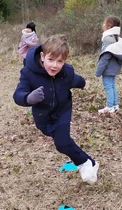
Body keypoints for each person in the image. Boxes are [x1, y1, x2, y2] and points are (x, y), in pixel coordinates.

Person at [13, 34, 99, 184]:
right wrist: (28, 98)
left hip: (62, 111)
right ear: (42, 56)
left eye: (60, 61)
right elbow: (18, 94)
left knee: (62, 142)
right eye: (51, 60)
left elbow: (75, 79)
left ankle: (84, 163)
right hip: (43, 116)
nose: (54, 66)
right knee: (62, 142)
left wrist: (84, 83)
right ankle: (91, 162)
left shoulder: (66, 72)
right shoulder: (28, 73)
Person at [95, 16, 122, 114]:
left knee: (108, 87)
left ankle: (109, 107)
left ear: (108, 26)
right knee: (112, 86)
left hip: (108, 68)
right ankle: (115, 105)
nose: (102, 25)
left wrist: (98, 71)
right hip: (114, 68)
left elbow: (105, 56)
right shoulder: (115, 37)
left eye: (104, 23)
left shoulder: (108, 38)